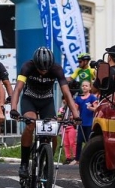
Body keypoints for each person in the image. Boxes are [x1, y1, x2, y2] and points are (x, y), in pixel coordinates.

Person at [10, 46, 79, 179]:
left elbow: (66, 92)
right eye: (40, 69)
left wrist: (75, 114)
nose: (43, 72)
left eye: (46, 70)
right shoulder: (27, 67)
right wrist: (13, 108)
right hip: (29, 99)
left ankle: (48, 162)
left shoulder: (56, 69)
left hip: (46, 101)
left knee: (52, 131)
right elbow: (18, 89)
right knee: (30, 124)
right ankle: (24, 163)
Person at [73, 80, 98, 165]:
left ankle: (89, 159)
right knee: (79, 141)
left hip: (90, 123)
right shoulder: (78, 98)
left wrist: (91, 108)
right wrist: (74, 118)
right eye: (83, 86)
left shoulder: (92, 97)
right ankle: (77, 159)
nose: (84, 87)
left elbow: (96, 109)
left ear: (90, 87)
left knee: (89, 141)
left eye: (86, 86)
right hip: (81, 123)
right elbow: (75, 110)